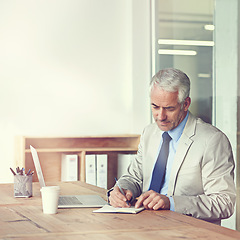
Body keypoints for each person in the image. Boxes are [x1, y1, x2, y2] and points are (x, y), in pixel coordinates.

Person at [108, 68, 236, 225]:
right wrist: (121, 191)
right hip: (145, 225)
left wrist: (171, 203)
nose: (160, 116)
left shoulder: (212, 141)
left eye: (169, 108)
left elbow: (224, 203)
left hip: (189, 231)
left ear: (185, 104)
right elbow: (133, 177)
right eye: (155, 107)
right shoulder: (149, 133)